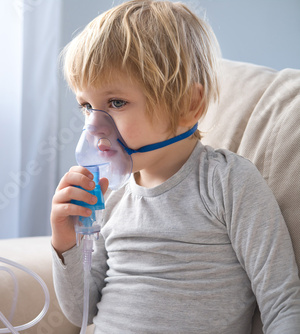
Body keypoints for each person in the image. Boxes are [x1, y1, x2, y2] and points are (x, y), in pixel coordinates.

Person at [50, 1, 300, 333]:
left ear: (188, 104)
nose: (95, 127)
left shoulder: (226, 182)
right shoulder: (110, 196)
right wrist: (66, 240)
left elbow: (283, 304)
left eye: (116, 103)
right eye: (87, 106)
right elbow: (81, 312)